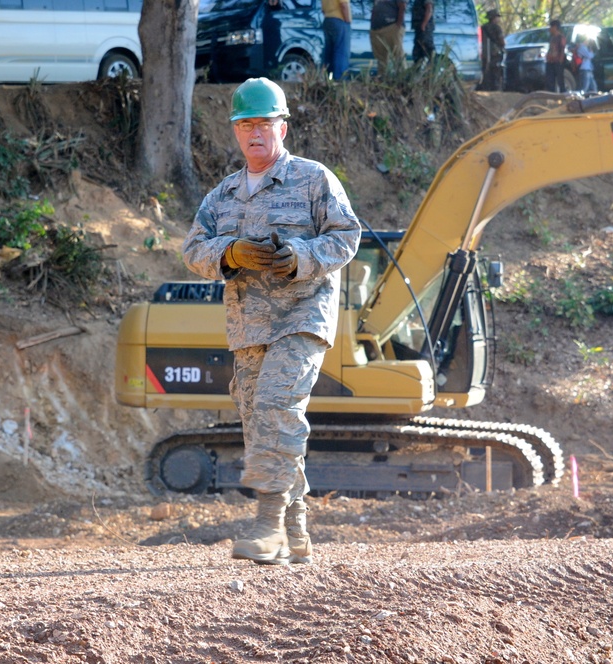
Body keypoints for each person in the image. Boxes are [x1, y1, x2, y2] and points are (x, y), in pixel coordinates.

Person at [181, 78, 362, 565]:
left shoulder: (313, 178)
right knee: (261, 421)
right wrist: (230, 251)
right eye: (245, 124)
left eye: (264, 123)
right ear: (236, 132)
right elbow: (194, 249)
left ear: (282, 126)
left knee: (278, 406)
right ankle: (296, 527)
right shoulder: (223, 195)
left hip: (302, 317)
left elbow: (346, 237)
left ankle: (267, 526)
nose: (254, 133)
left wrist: (299, 256)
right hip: (248, 326)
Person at [369, 0, 406, 76]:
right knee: (381, 58)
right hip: (376, 29)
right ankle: (382, 78)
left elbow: (402, 6)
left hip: (391, 26)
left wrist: (398, 26)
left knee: (397, 55)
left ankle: (402, 79)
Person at [322, 0, 352, 80]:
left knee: (329, 53)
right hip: (340, 20)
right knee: (341, 53)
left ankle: (328, 79)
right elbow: (344, 5)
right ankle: (340, 81)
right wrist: (348, 21)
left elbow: (323, 10)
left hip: (328, 19)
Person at [479, 9, 504, 91]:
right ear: (494, 18)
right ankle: (495, 89)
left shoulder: (482, 28)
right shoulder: (497, 28)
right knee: (495, 71)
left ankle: (485, 88)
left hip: (483, 53)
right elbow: (501, 41)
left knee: (485, 71)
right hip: (494, 53)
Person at [545, 19, 567, 93]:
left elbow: (562, 49)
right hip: (550, 62)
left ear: (555, 27)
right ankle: (552, 97)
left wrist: (560, 61)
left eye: (551, 26)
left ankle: (563, 95)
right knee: (550, 80)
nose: (550, 28)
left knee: (560, 81)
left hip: (558, 62)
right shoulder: (551, 38)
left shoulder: (561, 37)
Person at [411, 0, 435, 66]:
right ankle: (418, 69)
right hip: (419, 28)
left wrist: (423, 25)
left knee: (427, 49)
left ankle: (431, 69)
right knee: (418, 51)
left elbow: (429, 9)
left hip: (425, 29)